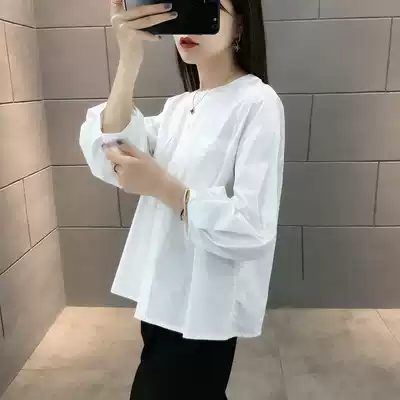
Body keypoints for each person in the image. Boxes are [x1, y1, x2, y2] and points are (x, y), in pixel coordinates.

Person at [79, 0, 285, 398]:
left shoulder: (258, 103)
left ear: (240, 26)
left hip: (204, 304)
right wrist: (129, 60)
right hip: (162, 298)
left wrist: (163, 187)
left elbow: (253, 228)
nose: (186, 26)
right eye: (181, 5)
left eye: (205, 7)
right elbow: (111, 149)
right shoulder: (178, 107)